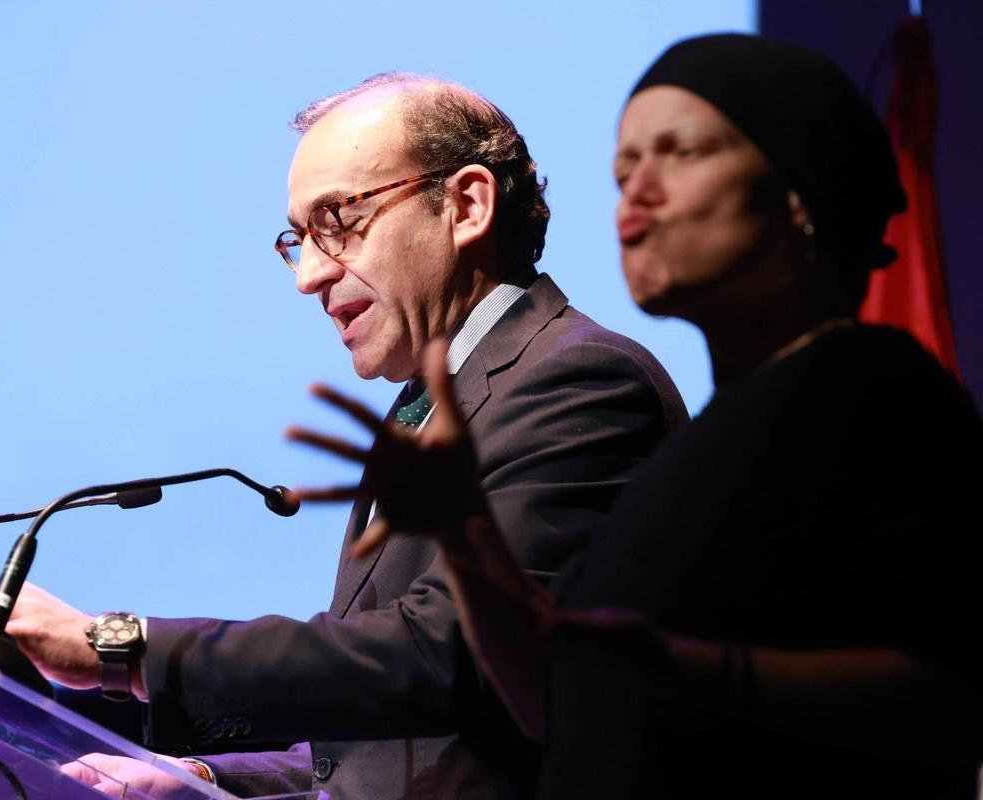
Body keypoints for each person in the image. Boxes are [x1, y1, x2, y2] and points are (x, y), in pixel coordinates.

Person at [0, 73, 686, 799]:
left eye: (338, 222)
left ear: (467, 206)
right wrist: (203, 781)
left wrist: (122, 646)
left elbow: (449, 655)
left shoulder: (577, 381)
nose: (308, 275)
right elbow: (400, 741)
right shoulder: (428, 404)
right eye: (298, 239)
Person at [294, 36, 983, 799]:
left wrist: (685, 671)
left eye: (679, 154)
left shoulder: (872, 393)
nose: (636, 192)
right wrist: (465, 538)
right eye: (624, 169)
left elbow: (952, 692)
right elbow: (552, 706)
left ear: (798, 188)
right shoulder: (717, 440)